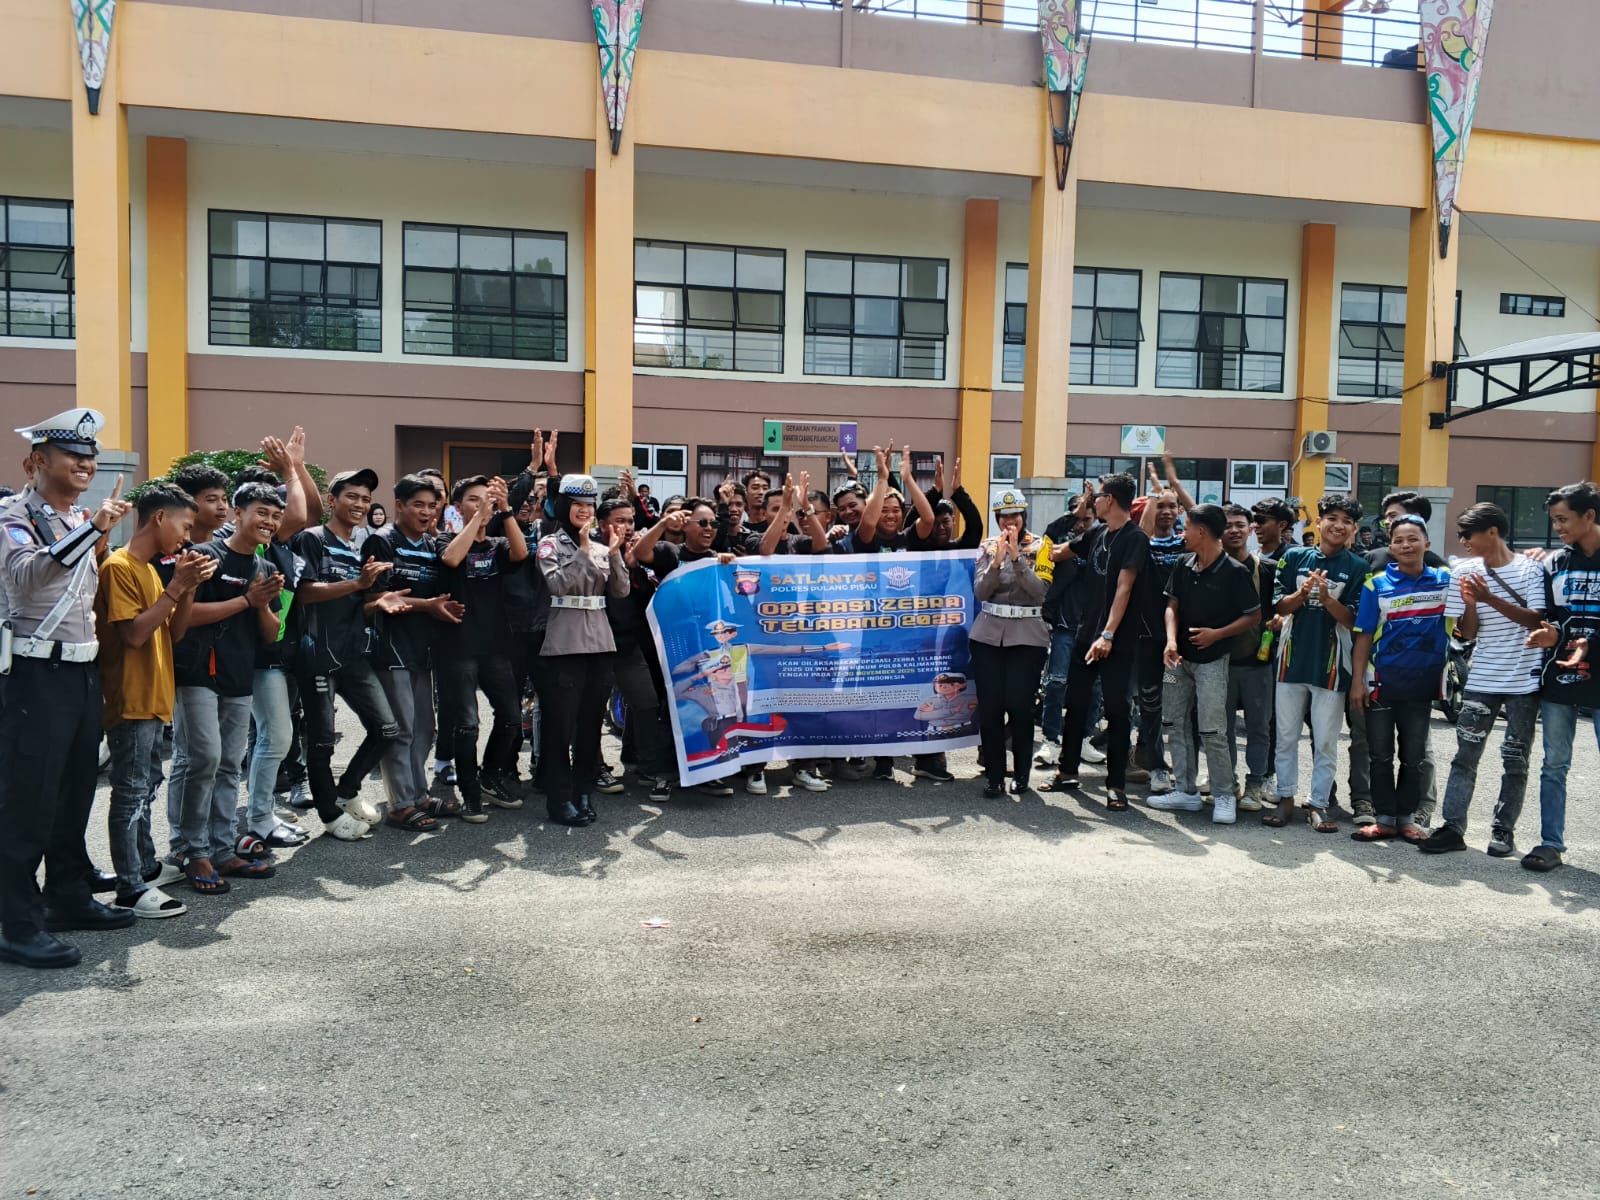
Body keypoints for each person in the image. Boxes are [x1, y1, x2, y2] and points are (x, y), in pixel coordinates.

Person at [0, 409, 138, 969]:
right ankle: (16, 923)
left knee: (76, 789)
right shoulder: (13, 516)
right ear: (35, 462)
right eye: (73, 455)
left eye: (90, 457)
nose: (86, 464)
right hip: (34, 675)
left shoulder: (78, 517)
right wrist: (94, 531)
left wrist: (90, 529)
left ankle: (67, 895)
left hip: (80, 672)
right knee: (27, 800)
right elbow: (27, 575)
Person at [97, 485, 216, 919]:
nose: (187, 537)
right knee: (130, 794)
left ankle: (145, 867)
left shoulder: (149, 570)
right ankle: (130, 888)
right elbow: (133, 635)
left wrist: (187, 589)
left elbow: (174, 633)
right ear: (159, 518)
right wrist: (176, 586)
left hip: (153, 697)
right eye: (185, 525)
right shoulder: (120, 566)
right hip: (131, 697)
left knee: (145, 787)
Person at [173, 483, 286, 892]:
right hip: (197, 673)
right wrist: (246, 601)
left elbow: (271, 634)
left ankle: (221, 849)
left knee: (228, 765)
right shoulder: (204, 556)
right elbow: (184, 617)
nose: (269, 522)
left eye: (276, 516)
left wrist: (263, 604)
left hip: (239, 676)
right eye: (261, 512)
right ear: (238, 513)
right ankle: (191, 850)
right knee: (202, 759)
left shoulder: (264, 568)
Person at [292, 468, 414, 839]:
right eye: (352, 496)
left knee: (387, 728)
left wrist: (378, 601)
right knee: (322, 741)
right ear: (332, 500)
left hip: (354, 654)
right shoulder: (312, 539)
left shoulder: (359, 547)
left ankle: (346, 792)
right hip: (317, 654)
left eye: (365, 499)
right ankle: (330, 815)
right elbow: (304, 593)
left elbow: (356, 603)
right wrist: (357, 583)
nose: (360, 504)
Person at [1420, 502, 1546, 856]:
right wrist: (1473, 604)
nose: (1462, 541)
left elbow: (1535, 620)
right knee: (1465, 756)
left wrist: (1489, 596)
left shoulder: (1530, 570)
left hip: (1524, 680)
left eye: (1467, 534)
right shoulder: (1464, 571)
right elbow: (1468, 633)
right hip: (1482, 677)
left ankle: (1503, 830)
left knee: (1515, 759)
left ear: (1492, 532)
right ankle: (1452, 827)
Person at [364, 474, 466, 833]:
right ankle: (400, 805)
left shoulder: (431, 543)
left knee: (425, 727)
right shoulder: (382, 541)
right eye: (418, 504)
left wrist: (441, 608)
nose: (426, 512)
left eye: (432, 505)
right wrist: (428, 606)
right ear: (399, 505)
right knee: (402, 729)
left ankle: (419, 795)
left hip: (423, 649)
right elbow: (374, 598)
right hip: (391, 648)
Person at [1043, 473, 1149, 811]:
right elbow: (1057, 552)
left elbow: (1124, 588)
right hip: (1085, 635)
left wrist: (1108, 634)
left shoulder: (1134, 538)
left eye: (1098, 496)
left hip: (1116, 641)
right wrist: (1035, 542)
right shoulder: (1098, 533)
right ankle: (1067, 772)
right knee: (1075, 706)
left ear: (1111, 499)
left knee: (1117, 712)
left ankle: (1115, 785)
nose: (1095, 501)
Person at [1346, 489, 1451, 828]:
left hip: (1421, 684)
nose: (1406, 545)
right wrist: (1358, 682)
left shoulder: (1446, 582)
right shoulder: (1376, 585)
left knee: (1414, 756)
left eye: (1413, 539)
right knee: (1379, 755)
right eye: (1399, 540)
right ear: (1390, 547)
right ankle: (1384, 818)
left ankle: (1407, 817)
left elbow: (1466, 627)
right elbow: (1363, 636)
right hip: (1380, 683)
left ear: (1427, 544)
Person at [1151, 503, 1261, 823]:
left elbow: (1253, 616)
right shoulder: (1183, 563)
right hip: (1176, 661)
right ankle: (1185, 791)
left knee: (1213, 730)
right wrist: (1171, 641)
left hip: (1213, 662)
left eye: (1185, 528)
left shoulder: (1235, 572)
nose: (1181, 533)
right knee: (1174, 722)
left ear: (1201, 532)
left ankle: (1224, 794)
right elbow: (1171, 606)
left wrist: (1217, 635)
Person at [1265, 493, 1367, 833]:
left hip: (1331, 666)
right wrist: (1302, 593)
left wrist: (1325, 599)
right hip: (1290, 662)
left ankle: (1319, 803)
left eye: (1347, 521)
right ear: (1319, 522)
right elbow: (1279, 607)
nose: (1339, 526)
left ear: (1354, 529)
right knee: (1285, 736)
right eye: (1332, 518)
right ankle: (1285, 798)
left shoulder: (1358, 567)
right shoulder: (1293, 557)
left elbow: (1353, 620)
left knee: (1325, 740)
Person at [537, 475, 629, 827]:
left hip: (600, 643)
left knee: (591, 724)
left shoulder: (603, 546)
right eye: (577, 504)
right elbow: (558, 584)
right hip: (565, 643)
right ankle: (559, 798)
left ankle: (584, 791)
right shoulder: (551, 544)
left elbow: (620, 591)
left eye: (589, 506)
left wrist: (615, 554)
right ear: (564, 507)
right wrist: (583, 551)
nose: (584, 511)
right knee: (561, 725)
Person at [437, 474, 528, 823]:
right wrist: (476, 519)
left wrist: (505, 509)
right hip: (458, 647)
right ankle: (470, 793)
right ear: (457, 506)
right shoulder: (445, 539)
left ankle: (490, 775)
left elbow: (520, 553)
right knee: (468, 725)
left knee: (511, 717)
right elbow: (451, 559)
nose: (481, 505)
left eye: (485, 499)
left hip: (496, 646)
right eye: (473, 499)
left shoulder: (497, 545)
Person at [1520, 482, 1600, 873]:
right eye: (1554, 521)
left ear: (1589, 515)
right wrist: (1551, 633)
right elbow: (1548, 615)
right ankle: (1551, 844)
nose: (1558, 528)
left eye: (1564, 519)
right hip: (1560, 677)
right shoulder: (1554, 564)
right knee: (1554, 765)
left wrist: (1588, 642)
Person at [970, 489, 1049, 798]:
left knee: (1020, 707)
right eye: (1003, 516)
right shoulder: (987, 547)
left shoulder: (1041, 545)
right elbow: (980, 592)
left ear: (1023, 515)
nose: (1009, 521)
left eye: (1015, 514)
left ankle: (1022, 773)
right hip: (989, 635)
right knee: (990, 709)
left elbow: (1039, 592)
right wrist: (997, 561)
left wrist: (1017, 559)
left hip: (1027, 636)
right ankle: (994, 776)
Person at [600, 493, 675, 803]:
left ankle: (646, 765)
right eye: (620, 521)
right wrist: (616, 559)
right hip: (598, 645)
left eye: (631, 521)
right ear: (602, 524)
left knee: (645, 704)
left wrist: (634, 563)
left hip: (631, 646)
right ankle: (594, 766)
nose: (628, 527)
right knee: (591, 712)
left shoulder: (642, 555)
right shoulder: (592, 551)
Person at [1135, 455, 1191, 791]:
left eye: (1172, 506)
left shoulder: (1187, 543)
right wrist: (1155, 494)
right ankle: (1156, 766)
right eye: (1160, 506)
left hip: (1185, 635)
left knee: (1185, 706)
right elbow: (1141, 533)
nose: (1166, 511)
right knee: (1150, 702)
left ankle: (1188, 769)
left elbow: (1201, 517)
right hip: (1148, 635)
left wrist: (1173, 481)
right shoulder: (1143, 544)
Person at [1035, 492, 1100, 767]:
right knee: (1056, 684)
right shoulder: (1060, 544)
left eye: (1088, 519)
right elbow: (1050, 533)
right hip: (1064, 626)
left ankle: (1085, 739)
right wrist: (1076, 512)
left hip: (1094, 628)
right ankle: (1051, 741)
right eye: (1078, 519)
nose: (1082, 524)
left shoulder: (1103, 543)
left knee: (1094, 688)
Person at [1221, 503, 1278, 810]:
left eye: (1240, 525)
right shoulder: (1210, 567)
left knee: (1259, 727)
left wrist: (1279, 620)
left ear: (1250, 529)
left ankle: (1256, 784)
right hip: (1220, 662)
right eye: (1227, 525)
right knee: (1222, 728)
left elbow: (1280, 607)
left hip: (1258, 662)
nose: (1234, 530)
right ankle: (1226, 782)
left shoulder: (1267, 569)